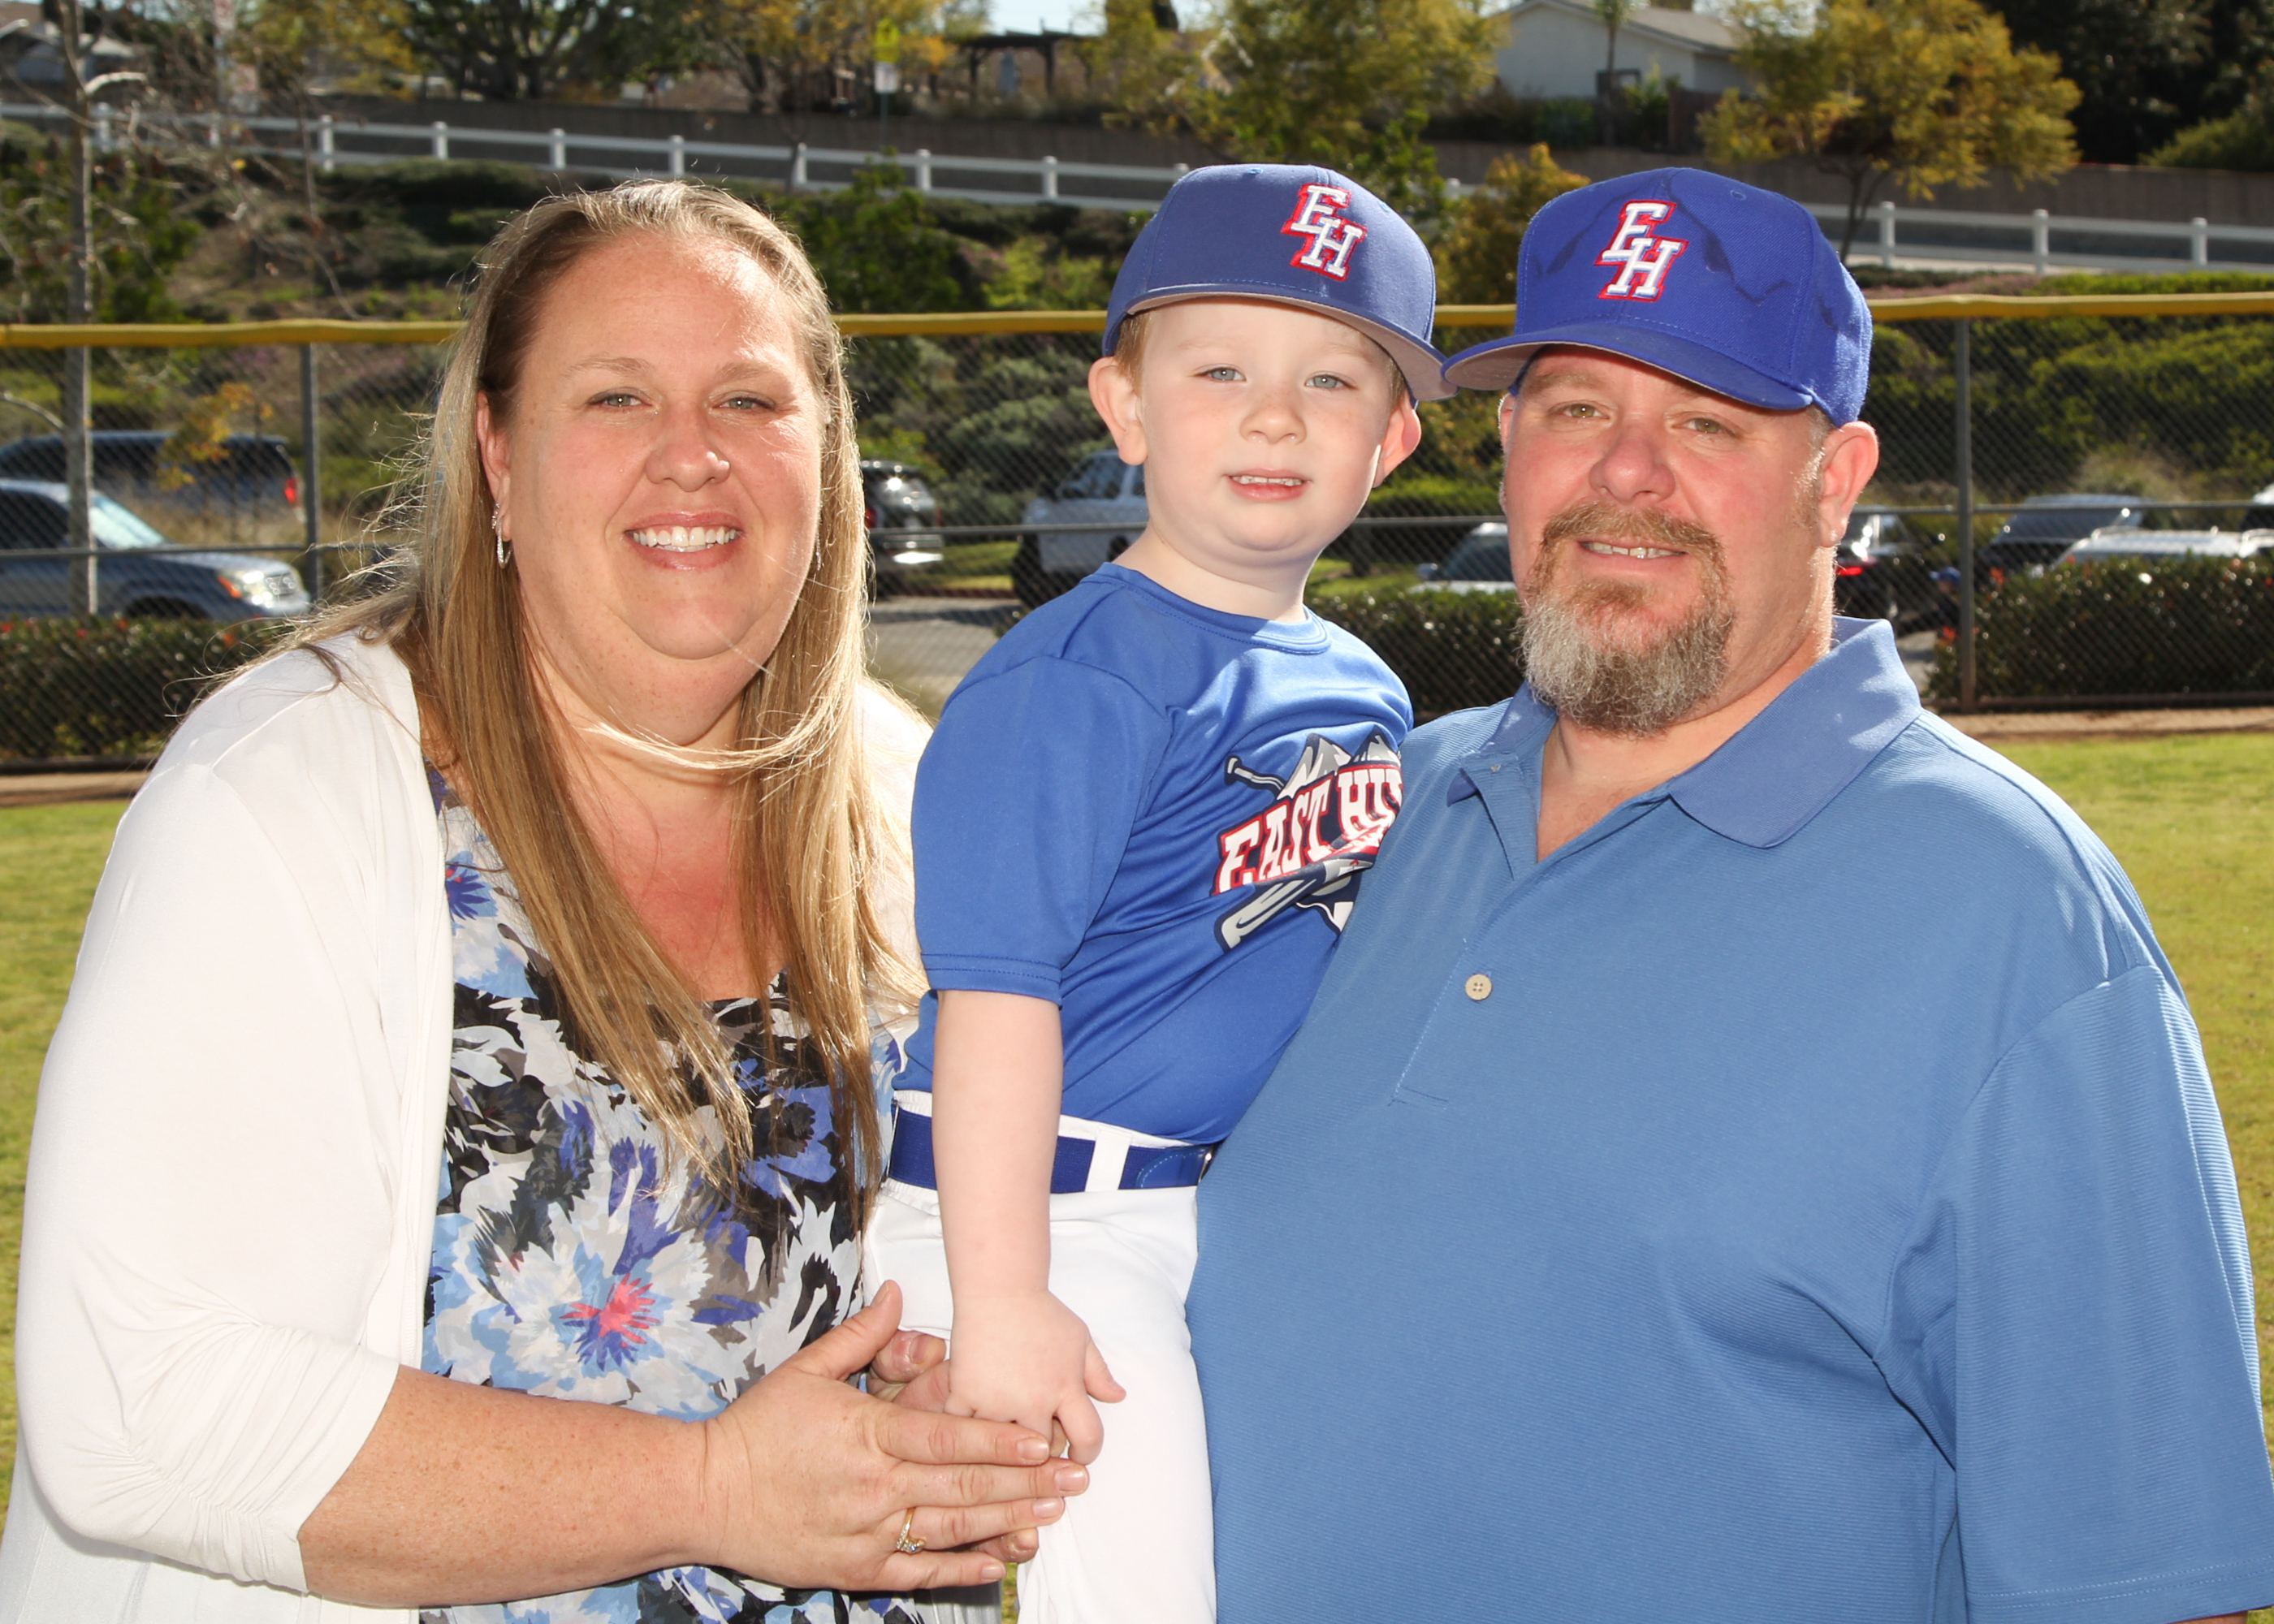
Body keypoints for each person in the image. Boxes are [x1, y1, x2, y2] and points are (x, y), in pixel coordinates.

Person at [1187, 169, 2274, 1623]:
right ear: (1506, 453)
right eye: (1576, 408)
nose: (1628, 473)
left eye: (1708, 420)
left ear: (1837, 480)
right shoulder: (1374, 814)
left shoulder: (2014, 910)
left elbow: (2146, 1580)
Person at [0, 180, 1087, 1624]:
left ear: (827, 458)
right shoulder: (289, 788)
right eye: (616, 399)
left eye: (751, 400)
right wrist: (712, 1489)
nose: (691, 455)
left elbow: (938, 1247)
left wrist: (943, 1389)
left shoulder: (904, 798)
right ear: (497, 458)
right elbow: (142, 1406)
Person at [864, 163, 1446, 1624]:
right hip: (1038, 1212)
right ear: (1124, 407)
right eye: (1220, 369)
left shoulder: (1365, 688)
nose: (1274, 416)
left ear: (1393, 442)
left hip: (1212, 1208)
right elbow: (995, 995)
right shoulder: (1075, 679)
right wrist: (1005, 1302)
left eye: (1332, 380)